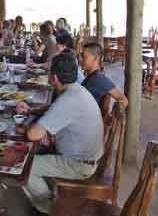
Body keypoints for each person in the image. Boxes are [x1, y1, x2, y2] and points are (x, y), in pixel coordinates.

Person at [18, 51, 104, 214]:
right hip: (87, 158)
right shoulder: (76, 90)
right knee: (35, 151)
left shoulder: (68, 99)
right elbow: (55, 108)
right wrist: (32, 111)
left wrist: (39, 129)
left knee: (24, 167)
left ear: (54, 78)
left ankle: (51, 208)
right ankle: (51, 198)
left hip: (79, 165)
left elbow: (32, 134)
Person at [81, 43, 128, 109]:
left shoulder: (99, 78)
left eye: (84, 57)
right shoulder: (92, 76)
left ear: (96, 58)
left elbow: (123, 100)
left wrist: (112, 116)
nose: (81, 60)